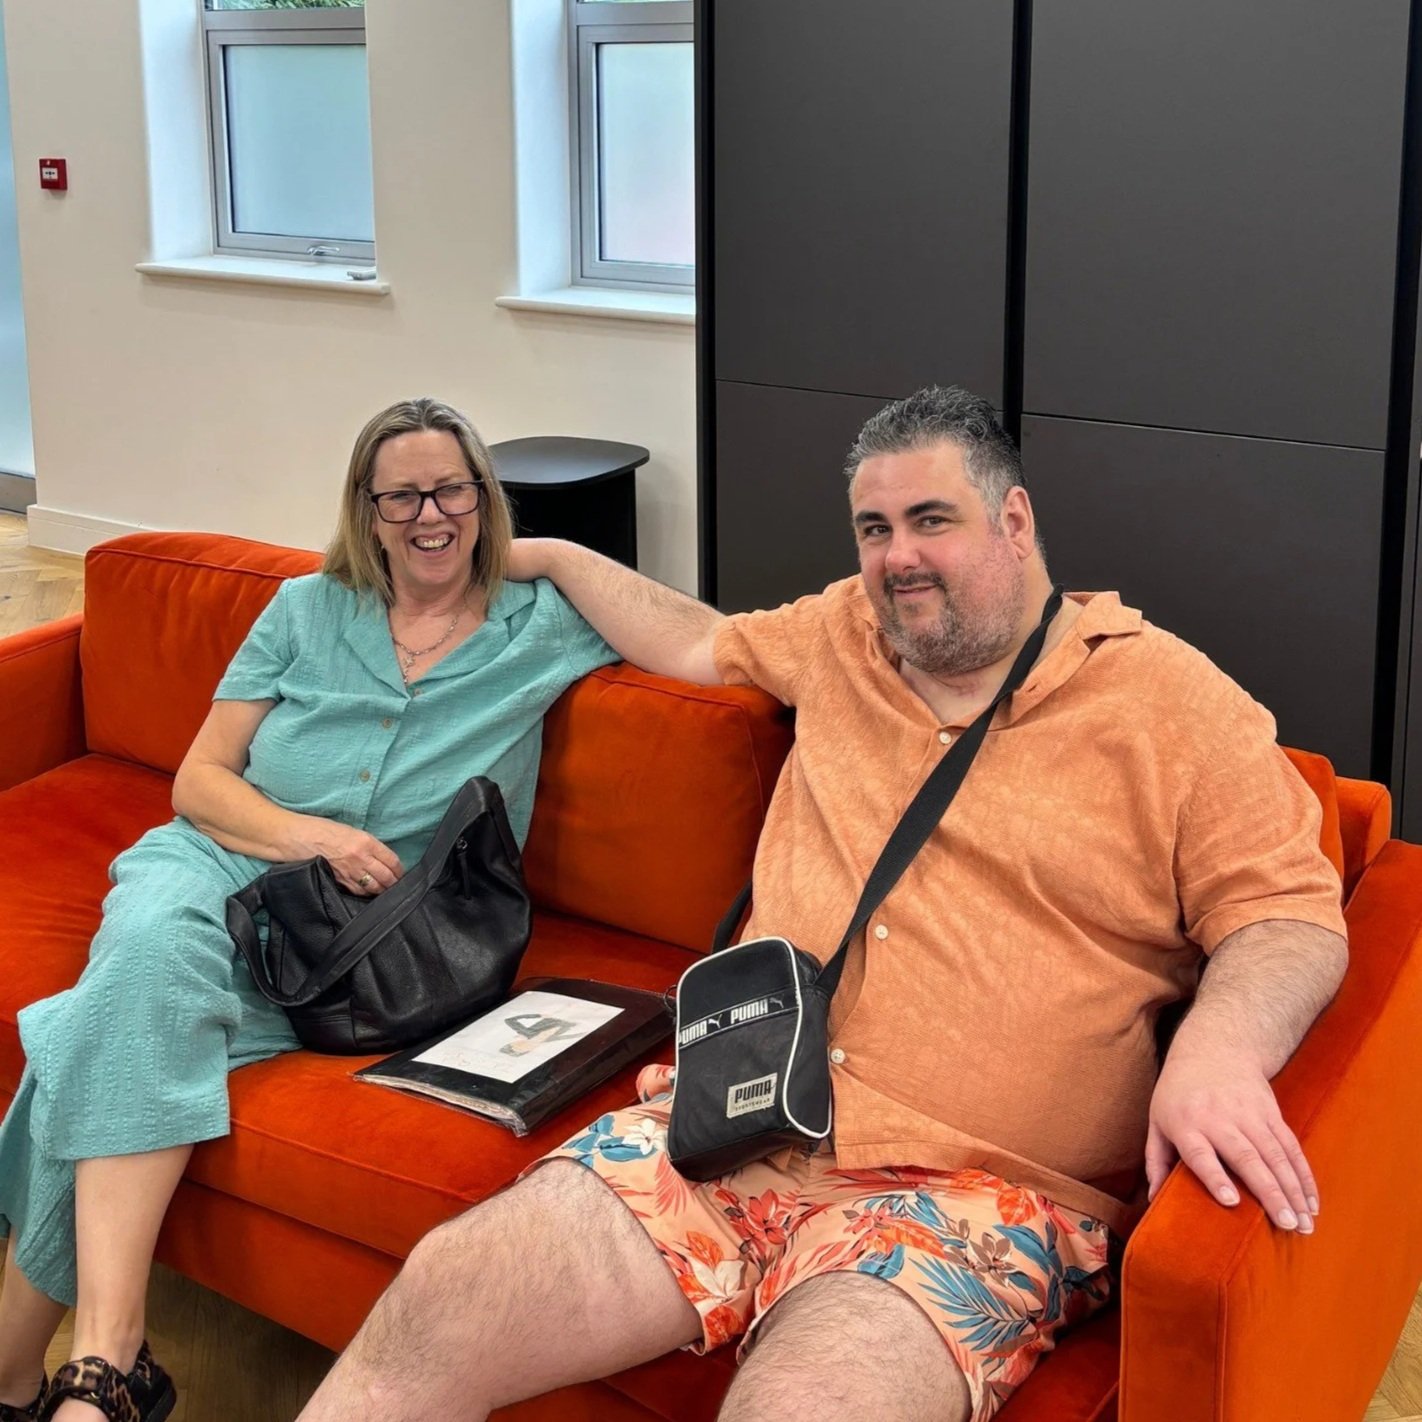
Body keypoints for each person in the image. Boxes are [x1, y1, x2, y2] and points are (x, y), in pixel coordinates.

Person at [297, 386, 1348, 1422]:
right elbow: (694, 641)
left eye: (932, 520)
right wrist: (538, 555)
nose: (898, 558)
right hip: (725, 1125)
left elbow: (1287, 912)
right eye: (873, 529)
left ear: (1015, 522)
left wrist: (1219, 1048)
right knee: (446, 1292)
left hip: (972, 1196)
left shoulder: (1170, 703)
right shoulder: (843, 634)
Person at [0, 398, 617, 1422]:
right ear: (368, 512)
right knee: (151, 954)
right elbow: (200, 783)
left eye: (454, 489)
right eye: (403, 495)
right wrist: (311, 835)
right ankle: (104, 1366)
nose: (432, 514)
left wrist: (548, 552)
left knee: (96, 1029)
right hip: (217, 865)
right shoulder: (302, 609)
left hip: (358, 941)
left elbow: (715, 647)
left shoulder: (541, 627)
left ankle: (20, 1374)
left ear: (483, 498)